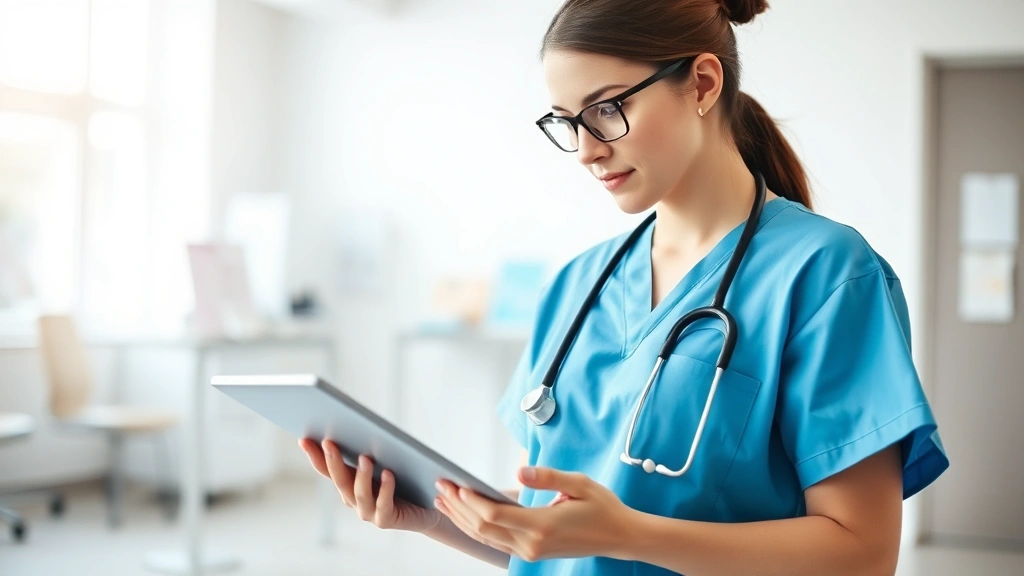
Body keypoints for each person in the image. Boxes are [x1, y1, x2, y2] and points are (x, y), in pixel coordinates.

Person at [299, 0, 949, 574]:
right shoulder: (578, 285)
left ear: (701, 82)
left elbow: (861, 555)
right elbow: (560, 544)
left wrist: (633, 535)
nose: (585, 149)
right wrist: (428, 515)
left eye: (607, 109)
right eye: (565, 120)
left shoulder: (826, 274)